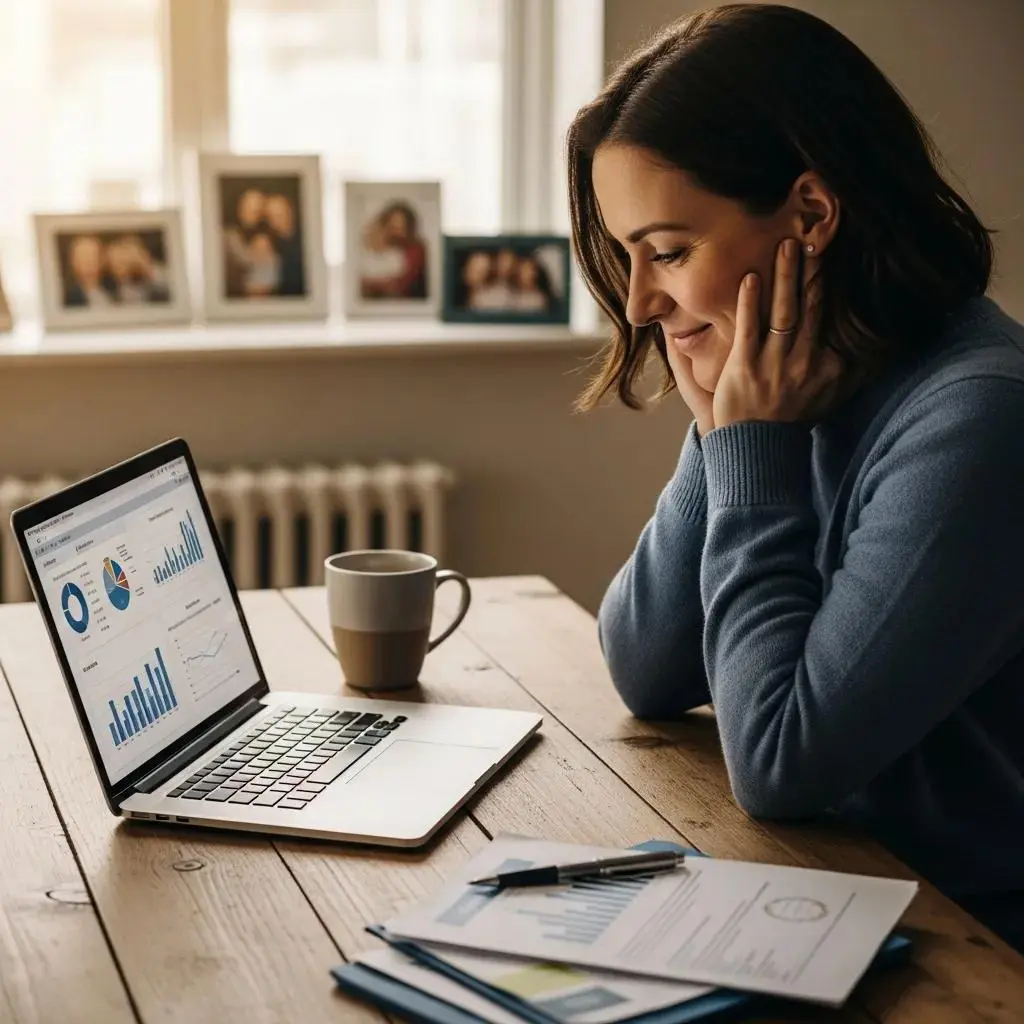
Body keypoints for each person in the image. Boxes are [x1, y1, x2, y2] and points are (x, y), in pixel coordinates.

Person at [568, 3, 1024, 952]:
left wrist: (747, 447)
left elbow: (780, 763)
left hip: (971, 941)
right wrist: (717, 437)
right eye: (626, 257)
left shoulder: (980, 418)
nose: (643, 300)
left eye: (669, 251)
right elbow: (646, 665)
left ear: (810, 215)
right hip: (836, 895)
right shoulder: (800, 390)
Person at [359, 201, 427, 300]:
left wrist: (368, 283)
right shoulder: (373, 250)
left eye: (400, 225)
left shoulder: (413, 250)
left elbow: (400, 284)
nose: (395, 230)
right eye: (391, 225)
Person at [264, 193, 305, 296]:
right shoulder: (268, 244)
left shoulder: (306, 239)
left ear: (291, 212)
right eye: (272, 216)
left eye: (280, 213)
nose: (278, 219)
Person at [63, 235, 115, 308]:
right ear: (74, 263)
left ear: (101, 261)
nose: (88, 261)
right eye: (83, 256)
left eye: (93, 255)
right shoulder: (69, 298)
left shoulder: (113, 290)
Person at [243, 232, 282, 297]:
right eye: (257, 248)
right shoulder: (248, 263)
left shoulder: (273, 261)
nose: (261, 253)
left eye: (265, 248)